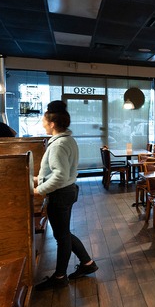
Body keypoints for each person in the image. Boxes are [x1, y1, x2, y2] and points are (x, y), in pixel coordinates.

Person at [34, 101, 98, 290]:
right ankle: (87, 264)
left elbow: (60, 175)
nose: (43, 124)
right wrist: (39, 178)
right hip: (67, 191)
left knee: (62, 237)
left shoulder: (58, 145)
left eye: (44, 121)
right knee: (64, 234)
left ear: (52, 124)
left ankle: (60, 276)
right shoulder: (67, 140)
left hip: (61, 194)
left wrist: (39, 189)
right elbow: (61, 172)